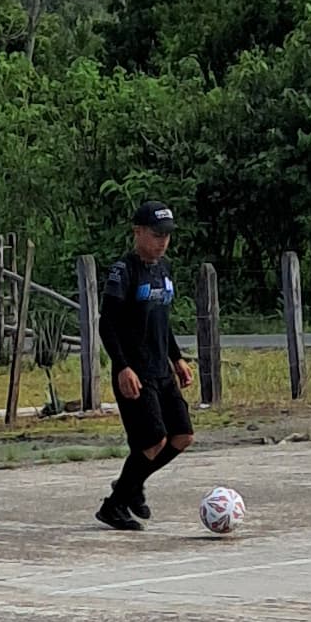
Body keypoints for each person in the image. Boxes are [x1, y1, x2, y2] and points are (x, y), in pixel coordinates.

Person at [94, 200, 193, 532]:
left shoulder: (164, 269)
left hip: (161, 369)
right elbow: (107, 324)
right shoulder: (124, 271)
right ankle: (114, 506)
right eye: (156, 234)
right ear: (138, 232)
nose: (163, 241)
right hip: (135, 372)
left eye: (167, 235)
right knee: (153, 441)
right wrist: (122, 366)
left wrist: (177, 358)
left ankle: (130, 485)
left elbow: (162, 320)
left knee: (182, 436)